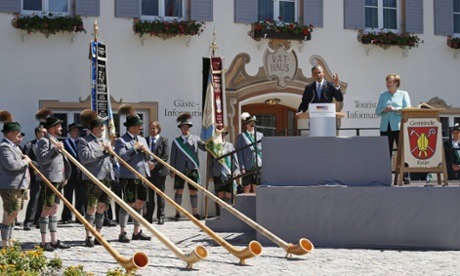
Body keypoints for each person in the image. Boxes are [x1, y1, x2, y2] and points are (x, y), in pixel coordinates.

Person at [77, 110, 116, 247]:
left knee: (102, 206)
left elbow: (112, 159)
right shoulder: (84, 141)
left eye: (103, 128)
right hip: (92, 179)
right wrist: (101, 151)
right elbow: (85, 158)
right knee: (91, 207)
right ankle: (88, 236)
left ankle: (98, 234)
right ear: (95, 129)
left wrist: (111, 154)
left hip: (106, 177)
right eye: (101, 128)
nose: (103, 130)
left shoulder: (105, 141)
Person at [115, 104, 151, 243]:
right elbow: (121, 157)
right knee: (128, 203)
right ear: (132, 128)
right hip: (128, 176)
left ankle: (137, 231)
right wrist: (134, 149)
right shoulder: (121, 140)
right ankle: (123, 232)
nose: (141, 128)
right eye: (139, 126)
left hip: (142, 175)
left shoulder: (142, 139)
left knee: (140, 202)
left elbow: (149, 157)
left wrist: (147, 153)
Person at [36, 116, 72, 251]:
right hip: (49, 179)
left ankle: (54, 239)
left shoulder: (56, 140)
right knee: (46, 208)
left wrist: (65, 176)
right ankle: (44, 241)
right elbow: (42, 160)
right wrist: (55, 149)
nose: (61, 128)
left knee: (55, 209)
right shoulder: (44, 142)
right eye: (59, 126)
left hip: (58, 179)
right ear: (52, 128)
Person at [0, 111, 31, 248]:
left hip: (18, 186)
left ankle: (9, 240)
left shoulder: (14, 147)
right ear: (10, 134)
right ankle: (4, 243)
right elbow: (12, 165)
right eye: (17, 132)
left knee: (14, 213)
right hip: (10, 186)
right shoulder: (4, 148)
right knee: (10, 213)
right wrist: (26, 161)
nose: (20, 134)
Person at [375, 73, 411, 184]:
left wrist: (395, 109)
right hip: (385, 127)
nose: (387, 84)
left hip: (398, 127)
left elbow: (408, 109)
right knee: (386, 152)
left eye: (390, 82)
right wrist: (384, 110)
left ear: (396, 83)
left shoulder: (403, 94)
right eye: (387, 82)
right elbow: (377, 111)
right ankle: (386, 176)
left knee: (402, 151)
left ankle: (405, 175)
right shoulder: (383, 95)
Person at [169, 113, 206, 221]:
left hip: (192, 168)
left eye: (187, 127)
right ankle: (177, 213)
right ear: (180, 128)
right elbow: (173, 157)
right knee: (179, 190)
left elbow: (203, 148)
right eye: (183, 127)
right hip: (180, 169)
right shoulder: (176, 141)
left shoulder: (195, 138)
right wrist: (172, 170)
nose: (185, 129)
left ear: (189, 128)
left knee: (193, 191)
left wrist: (210, 142)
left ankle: (195, 213)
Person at [143, 121, 169, 225]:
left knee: (160, 195)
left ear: (158, 129)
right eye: (151, 128)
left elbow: (165, 156)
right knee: (149, 196)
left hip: (160, 171)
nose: (152, 130)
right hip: (148, 172)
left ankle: (161, 217)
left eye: (154, 128)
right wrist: (148, 164)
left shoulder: (164, 140)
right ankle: (148, 217)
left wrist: (155, 164)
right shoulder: (144, 140)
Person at [22, 126, 47, 230]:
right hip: (34, 175)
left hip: (46, 176)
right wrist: (37, 166)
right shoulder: (29, 145)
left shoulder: (48, 144)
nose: (45, 134)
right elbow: (27, 160)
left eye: (46, 132)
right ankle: (28, 221)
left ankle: (38, 221)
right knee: (34, 198)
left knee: (43, 199)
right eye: (43, 132)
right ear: (37, 133)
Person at [61, 123, 86, 224]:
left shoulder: (81, 142)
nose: (76, 132)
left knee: (81, 195)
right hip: (69, 173)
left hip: (80, 173)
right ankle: (66, 216)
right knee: (68, 195)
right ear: (70, 132)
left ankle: (79, 216)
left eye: (77, 131)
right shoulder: (64, 143)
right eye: (74, 131)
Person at [209, 130, 239, 205]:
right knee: (220, 194)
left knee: (229, 193)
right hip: (217, 173)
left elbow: (235, 159)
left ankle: (228, 213)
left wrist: (236, 170)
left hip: (228, 172)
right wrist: (210, 175)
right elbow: (210, 162)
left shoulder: (230, 145)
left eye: (225, 134)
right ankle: (221, 213)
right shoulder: (214, 146)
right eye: (221, 134)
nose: (223, 135)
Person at [236, 113, 263, 194]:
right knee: (247, 186)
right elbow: (239, 153)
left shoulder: (260, 135)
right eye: (250, 123)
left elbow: (263, 150)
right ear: (246, 125)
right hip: (247, 164)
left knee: (256, 185)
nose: (252, 124)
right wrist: (242, 167)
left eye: (254, 123)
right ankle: (246, 205)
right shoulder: (241, 137)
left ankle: (256, 205)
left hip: (258, 163)